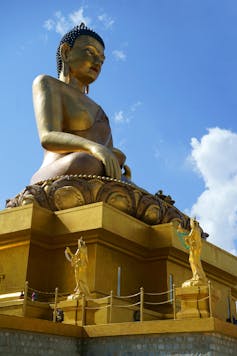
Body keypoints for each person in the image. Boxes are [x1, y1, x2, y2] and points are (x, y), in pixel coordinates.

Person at [31, 23, 129, 184]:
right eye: (90, 52)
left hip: (94, 172)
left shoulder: (100, 111)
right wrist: (93, 148)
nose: (98, 62)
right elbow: (47, 136)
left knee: (132, 187)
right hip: (63, 167)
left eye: (102, 60)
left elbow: (107, 153)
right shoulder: (48, 83)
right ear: (66, 52)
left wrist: (116, 158)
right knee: (85, 162)